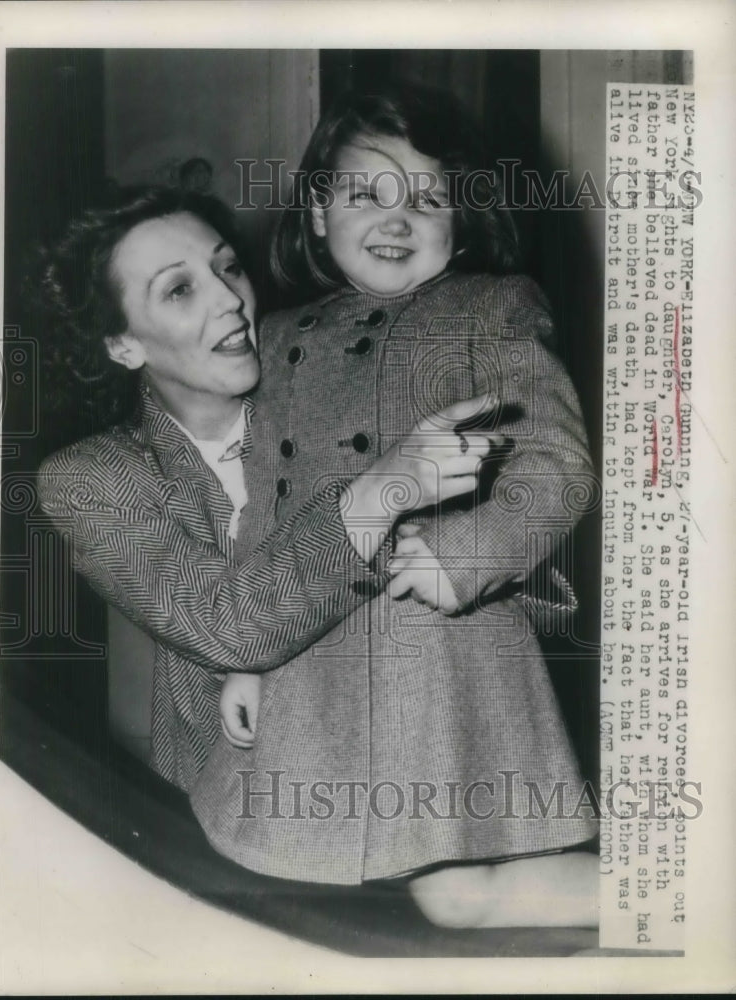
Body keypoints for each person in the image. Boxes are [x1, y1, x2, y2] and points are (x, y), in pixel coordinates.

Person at [193, 83, 599, 928]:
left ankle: (677, 895)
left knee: (457, 891)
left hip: (440, 641)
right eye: (363, 192)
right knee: (414, 893)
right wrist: (248, 656)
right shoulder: (275, 339)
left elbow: (555, 464)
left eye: (427, 198)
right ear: (314, 214)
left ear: (460, 225)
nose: (396, 216)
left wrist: (475, 550)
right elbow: (259, 509)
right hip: (314, 646)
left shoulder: (489, 310)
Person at [33, 187, 499, 800]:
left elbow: (508, 535)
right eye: (179, 289)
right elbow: (231, 627)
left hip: (423, 752)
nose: (230, 297)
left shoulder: (331, 368)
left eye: (228, 268)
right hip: (235, 794)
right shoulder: (90, 480)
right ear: (123, 345)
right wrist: (383, 490)